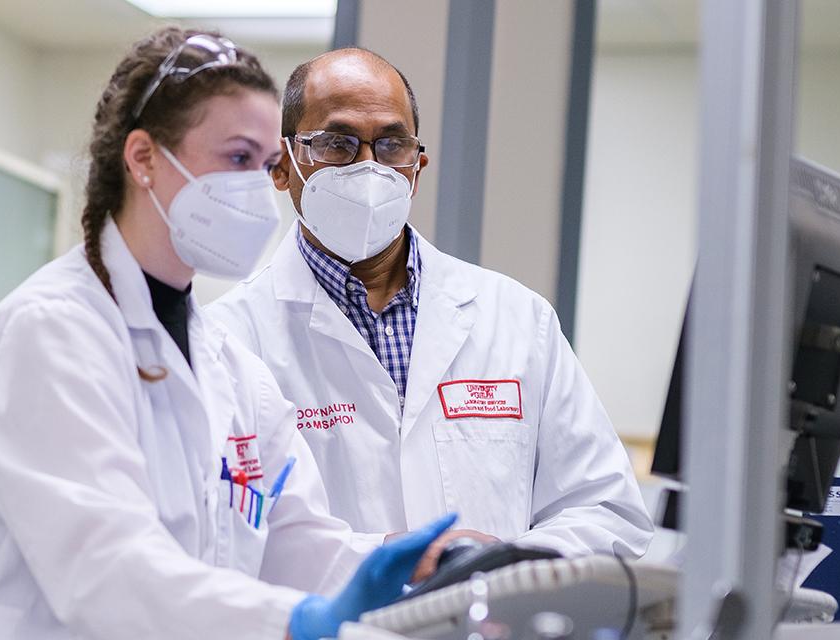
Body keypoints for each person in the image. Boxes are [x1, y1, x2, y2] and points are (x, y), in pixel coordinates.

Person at [0, 29, 457, 640]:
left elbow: (298, 542)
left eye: (263, 165)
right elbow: (110, 573)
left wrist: (419, 569)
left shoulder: (230, 366)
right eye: (236, 159)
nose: (259, 190)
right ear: (144, 158)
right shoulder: (48, 335)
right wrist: (297, 621)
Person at [206, 48, 653, 558]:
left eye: (392, 144)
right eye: (337, 143)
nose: (368, 167)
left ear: (417, 166)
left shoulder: (519, 321)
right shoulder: (227, 341)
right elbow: (221, 537)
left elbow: (609, 513)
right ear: (282, 166)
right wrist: (388, 561)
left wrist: (501, 565)